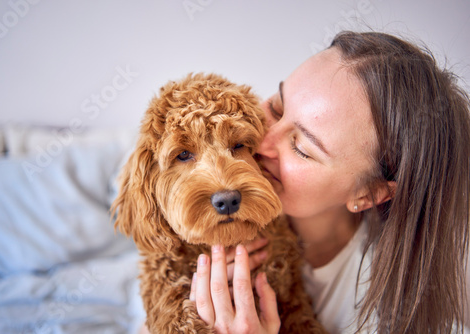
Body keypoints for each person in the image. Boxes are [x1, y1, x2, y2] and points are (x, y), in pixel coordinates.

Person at [186, 31, 470, 334]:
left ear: (370, 193)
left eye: (302, 149)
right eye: (277, 108)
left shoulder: (388, 317)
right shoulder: (213, 204)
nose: (259, 142)